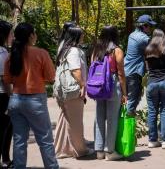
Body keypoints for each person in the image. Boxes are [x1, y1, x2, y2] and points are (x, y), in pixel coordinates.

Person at [3, 23, 59, 169]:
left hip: (15, 100)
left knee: (19, 139)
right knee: (45, 139)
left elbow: (7, 80)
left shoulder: (11, 56)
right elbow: (51, 76)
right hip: (36, 101)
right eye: (34, 33)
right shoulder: (41, 53)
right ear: (30, 36)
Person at [54, 26, 94, 158]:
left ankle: (62, 149)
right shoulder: (74, 51)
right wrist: (83, 85)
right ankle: (79, 150)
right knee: (75, 121)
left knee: (66, 119)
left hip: (64, 90)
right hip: (73, 90)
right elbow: (75, 70)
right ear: (76, 36)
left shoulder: (64, 49)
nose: (83, 37)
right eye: (81, 35)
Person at [92, 26, 127, 160]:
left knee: (99, 117)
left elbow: (93, 67)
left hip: (98, 85)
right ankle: (110, 152)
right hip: (112, 84)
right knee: (112, 119)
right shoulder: (117, 50)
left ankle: (99, 151)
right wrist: (124, 93)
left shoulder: (97, 50)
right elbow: (121, 73)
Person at [145, 29, 165, 149]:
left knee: (152, 111)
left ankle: (152, 140)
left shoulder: (148, 49)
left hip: (152, 82)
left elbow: (147, 67)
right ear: (164, 37)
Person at [124, 14, 156, 116]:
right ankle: (129, 126)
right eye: (150, 26)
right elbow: (157, 49)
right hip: (134, 72)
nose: (151, 29)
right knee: (133, 100)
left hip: (127, 69)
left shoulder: (132, 35)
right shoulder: (143, 38)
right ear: (144, 26)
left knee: (127, 98)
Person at [0, 20, 13, 168]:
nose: (13, 37)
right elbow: (4, 79)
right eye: (10, 34)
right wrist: (11, 96)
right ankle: (5, 159)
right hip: (2, 95)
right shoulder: (2, 53)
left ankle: (5, 158)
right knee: (5, 128)